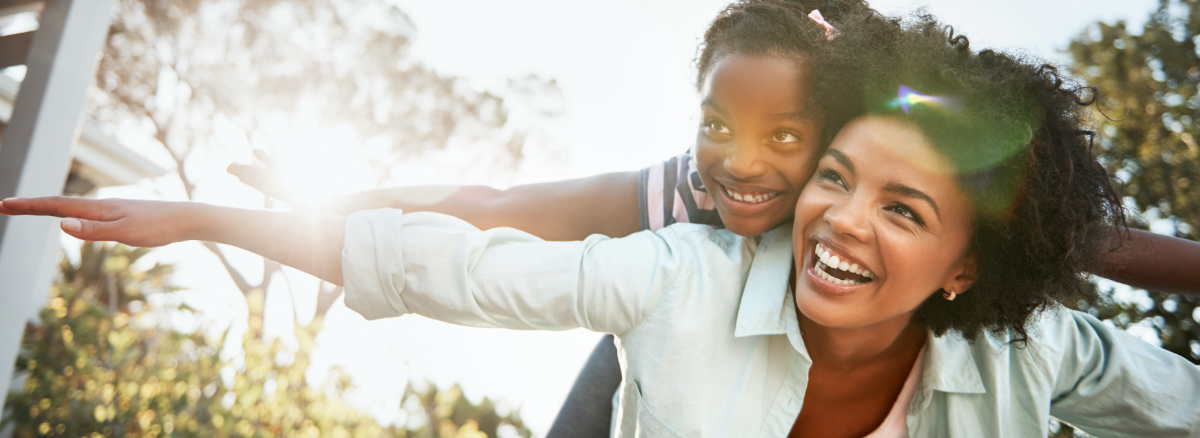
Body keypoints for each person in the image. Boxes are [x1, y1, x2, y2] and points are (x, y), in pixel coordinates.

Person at [5, 10, 1200, 437]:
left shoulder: (1017, 330)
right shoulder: (671, 237)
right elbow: (472, 234)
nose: (759, 174)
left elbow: (1103, 252)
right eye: (832, 172)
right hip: (661, 341)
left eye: (790, 143)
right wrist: (285, 206)